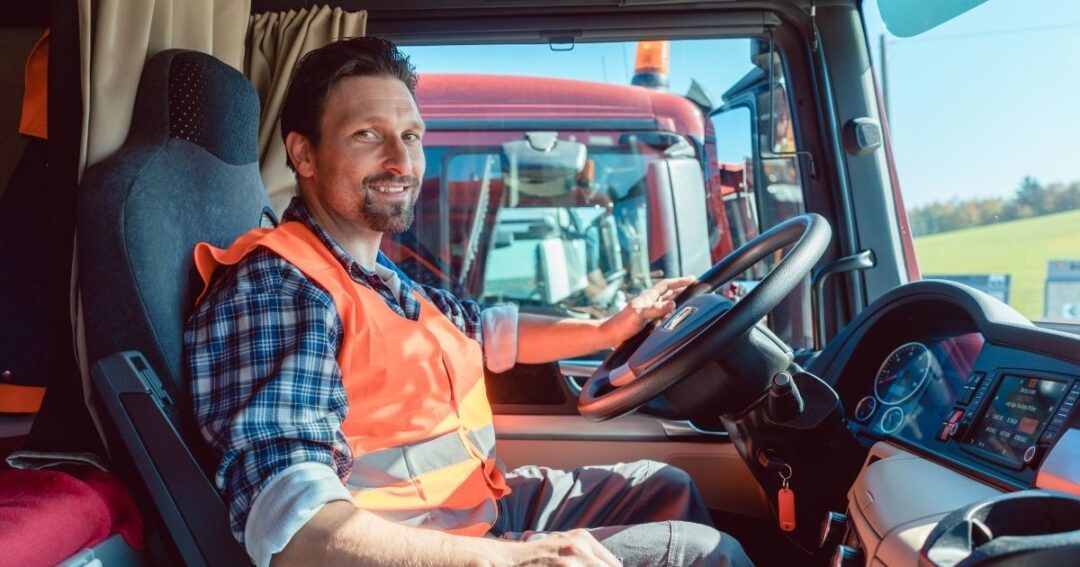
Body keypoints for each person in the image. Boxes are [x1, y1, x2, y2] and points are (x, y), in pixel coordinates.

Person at [185, 37, 752, 567]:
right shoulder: (282, 288)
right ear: (303, 155)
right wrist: (509, 558)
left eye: (411, 136)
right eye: (367, 135)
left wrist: (609, 327)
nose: (401, 162)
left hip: (471, 512)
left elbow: (485, 329)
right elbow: (296, 530)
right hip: (424, 545)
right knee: (702, 553)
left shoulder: (373, 275)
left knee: (665, 487)